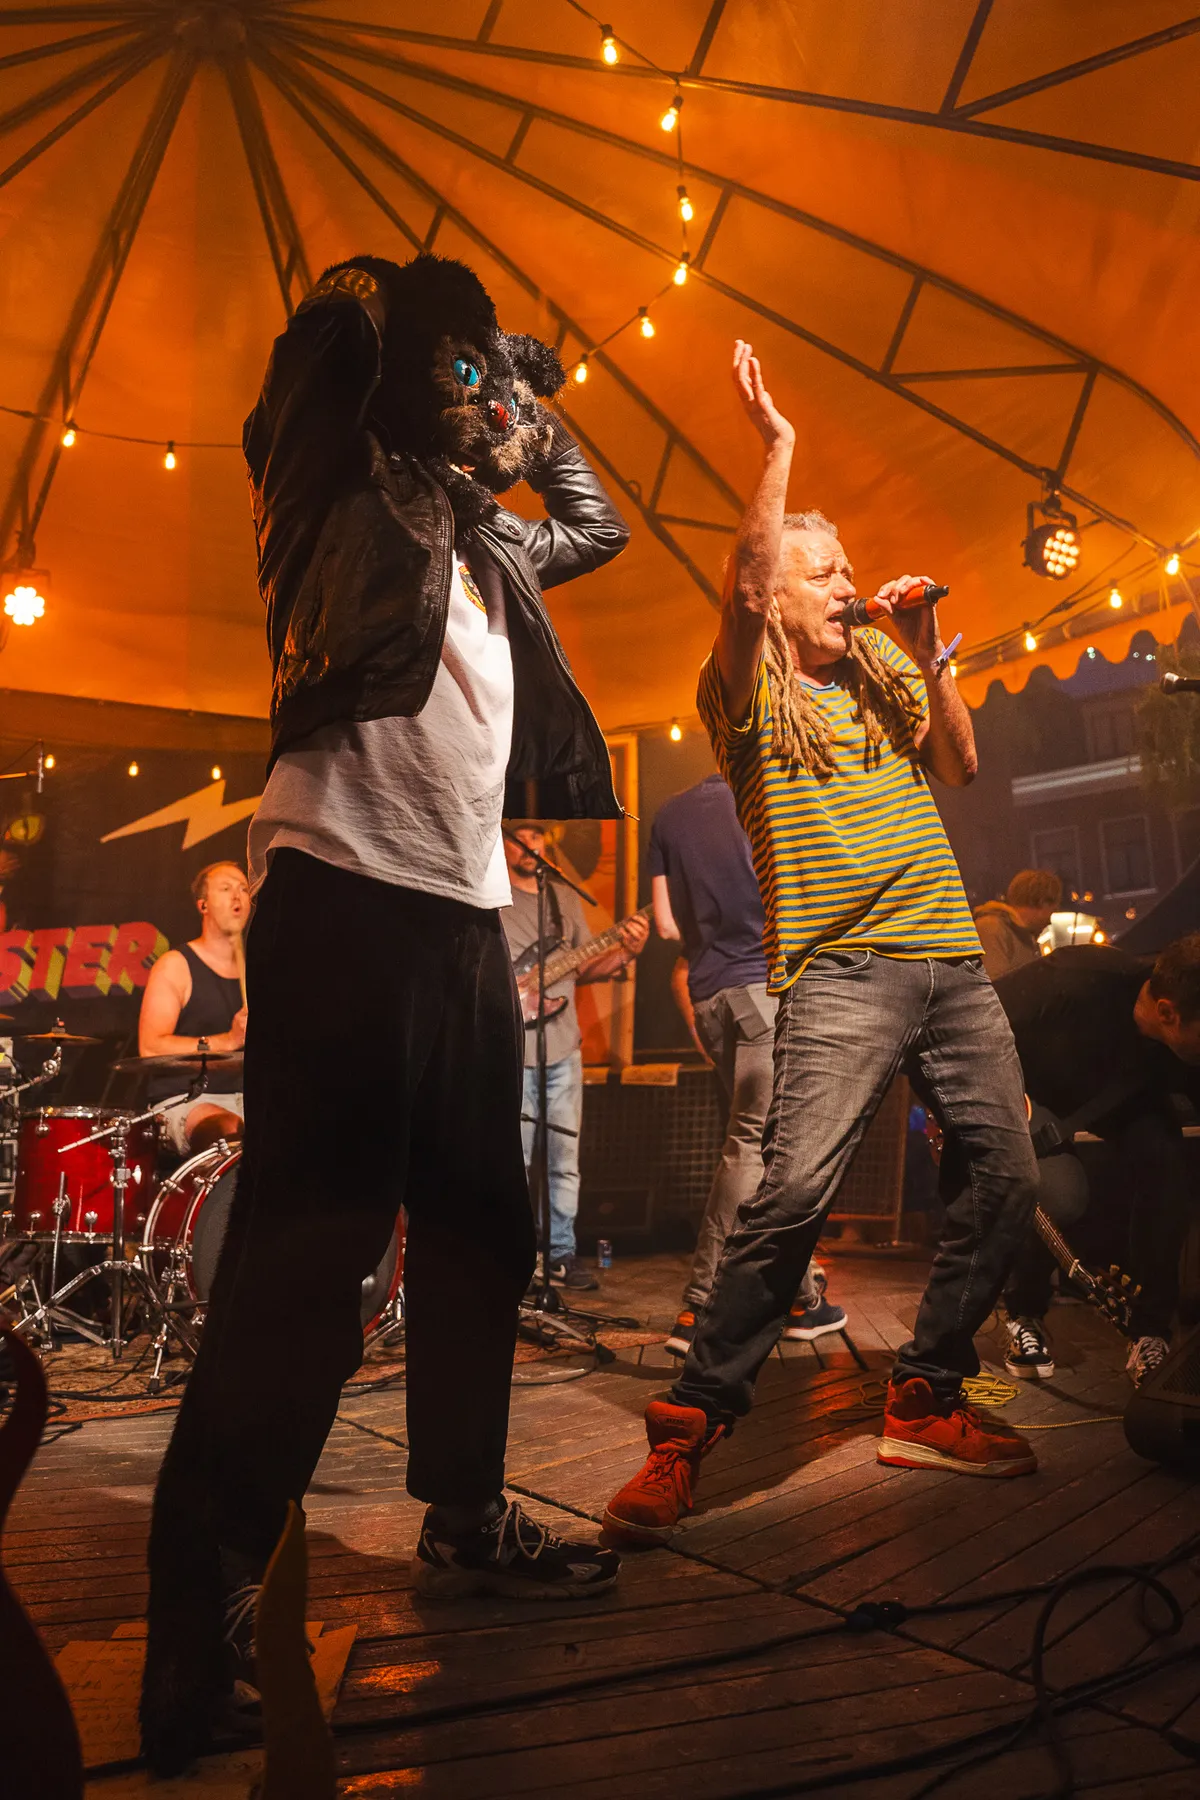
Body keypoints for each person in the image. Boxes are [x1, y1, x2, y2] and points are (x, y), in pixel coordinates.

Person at [141, 253, 628, 1775]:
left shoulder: (491, 546)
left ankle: (465, 1515)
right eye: (462, 377)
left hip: (467, 918)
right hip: (344, 886)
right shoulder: (334, 482)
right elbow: (326, 364)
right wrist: (414, 312)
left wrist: (519, 386)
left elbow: (599, 520)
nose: (488, 405)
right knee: (313, 1249)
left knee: (484, 1229)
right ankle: (208, 1600)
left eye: (490, 385)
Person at [604, 340, 1041, 1547]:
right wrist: (780, 448)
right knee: (791, 1194)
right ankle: (690, 1426)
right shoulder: (748, 698)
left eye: (849, 567)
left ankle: (926, 1394)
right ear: (783, 598)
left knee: (1007, 1175)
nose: (848, 585)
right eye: (826, 573)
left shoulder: (881, 668)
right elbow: (745, 592)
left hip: (949, 962)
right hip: (840, 976)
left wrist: (928, 646)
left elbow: (959, 760)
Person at [648, 773, 847, 1354]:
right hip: (765, 988)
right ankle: (699, 1306)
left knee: (772, 1148)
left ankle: (802, 1299)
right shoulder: (770, 795)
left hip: (709, 999)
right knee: (755, 1147)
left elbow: (665, 924)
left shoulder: (668, 814)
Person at [995, 937, 1200, 1387]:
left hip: (1119, 1101)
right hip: (1031, 1095)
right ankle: (1023, 1313)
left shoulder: (1184, 1043)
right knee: (1058, 1194)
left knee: (1167, 1166)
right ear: (1167, 1013)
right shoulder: (1075, 980)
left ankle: (1149, 1333)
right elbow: (967, 1020)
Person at [502, 823, 649, 1290]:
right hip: (512, 1054)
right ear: (502, 842)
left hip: (563, 1050)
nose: (531, 845)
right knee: (514, 1163)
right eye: (520, 836)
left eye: (537, 835)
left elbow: (583, 969)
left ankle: (561, 1253)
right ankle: (514, 1257)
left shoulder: (563, 898)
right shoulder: (495, 899)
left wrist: (627, 952)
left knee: (564, 1161)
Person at [137, 861, 249, 1154]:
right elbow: (150, 1047)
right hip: (188, 1099)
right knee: (226, 1129)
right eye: (226, 888)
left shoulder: (259, 968)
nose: (237, 895)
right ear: (203, 905)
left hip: (249, 1097)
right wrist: (228, 1040)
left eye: (244, 889)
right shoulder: (175, 965)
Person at [975, 869, 1062, 981]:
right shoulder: (991, 928)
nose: (1049, 922)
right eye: (1052, 911)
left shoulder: (1022, 935)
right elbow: (996, 984)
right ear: (1042, 902)